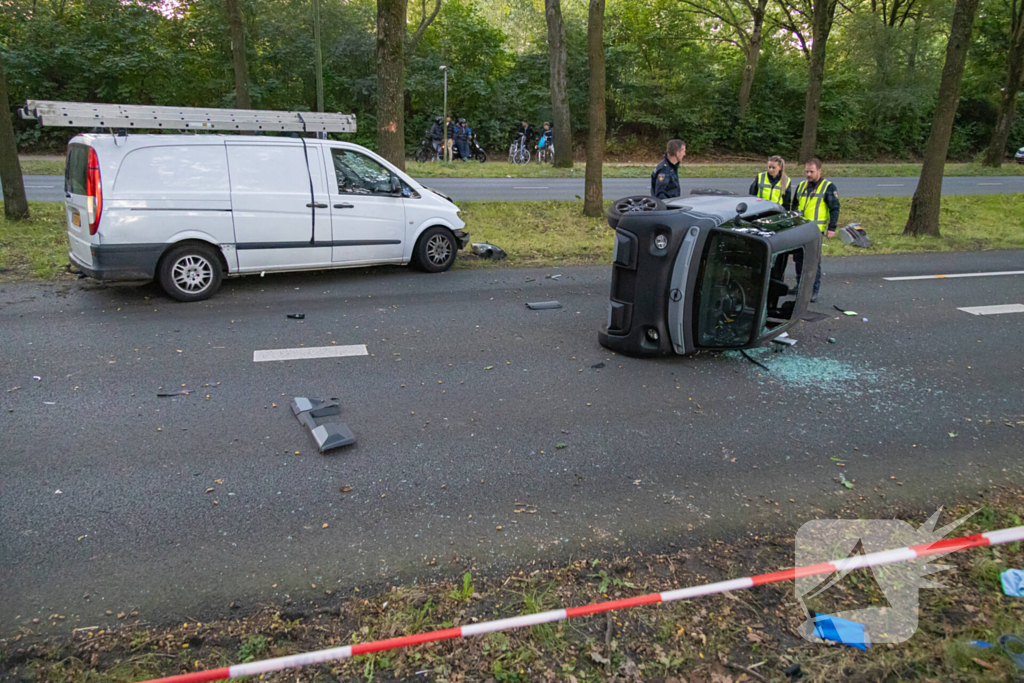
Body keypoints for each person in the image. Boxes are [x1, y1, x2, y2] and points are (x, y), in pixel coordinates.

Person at [793, 158, 840, 302]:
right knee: (798, 259)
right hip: (800, 228)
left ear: (819, 171)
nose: (808, 174)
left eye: (811, 172)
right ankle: (800, 285)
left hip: (815, 230)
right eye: (806, 171)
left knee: (813, 261)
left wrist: (831, 228)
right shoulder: (801, 186)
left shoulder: (828, 187)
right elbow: (794, 205)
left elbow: (834, 208)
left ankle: (813, 290)